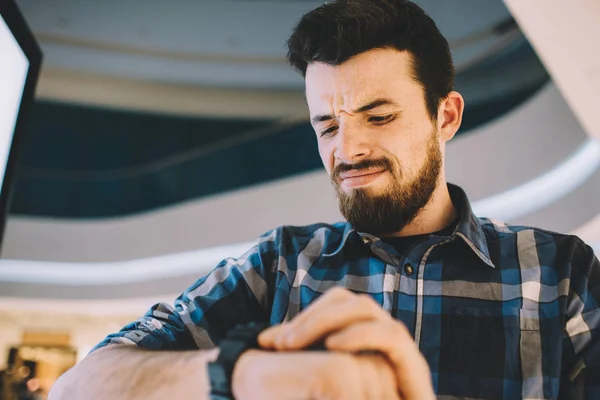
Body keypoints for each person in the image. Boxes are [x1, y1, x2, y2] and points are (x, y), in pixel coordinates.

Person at [49, 0, 600, 399]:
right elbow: (79, 386)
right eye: (327, 125)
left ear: (446, 117)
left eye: (379, 116)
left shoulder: (560, 271)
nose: (348, 149)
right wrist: (238, 373)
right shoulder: (280, 265)